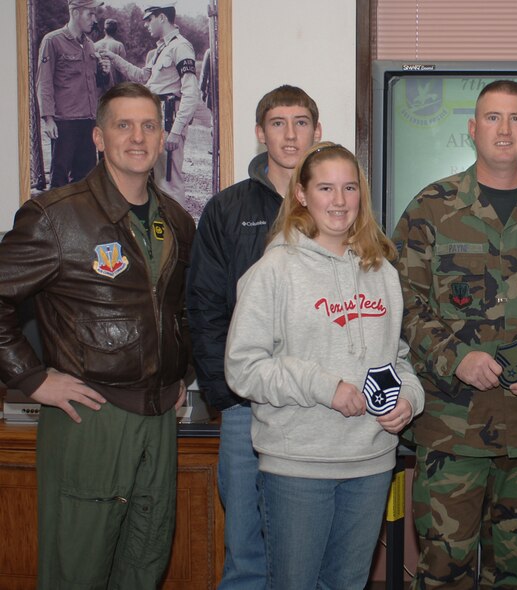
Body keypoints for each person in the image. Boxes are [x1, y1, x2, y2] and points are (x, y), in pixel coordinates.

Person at [392, 80, 517, 589]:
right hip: (452, 428)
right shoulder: (431, 208)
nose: (504, 129)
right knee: (443, 574)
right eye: (493, 117)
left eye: (516, 118)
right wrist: (454, 356)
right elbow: (403, 300)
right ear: (472, 128)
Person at [0, 82, 195, 589]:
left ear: (162, 137)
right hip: (89, 417)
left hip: (159, 420)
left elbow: (184, 308)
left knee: (144, 564)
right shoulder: (55, 216)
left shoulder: (175, 220)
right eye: (123, 125)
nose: (138, 137)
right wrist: (32, 378)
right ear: (98, 137)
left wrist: (182, 372)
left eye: (149, 125)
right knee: (77, 570)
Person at [224, 142, 424, 589]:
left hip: (371, 463)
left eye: (349, 188)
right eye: (326, 188)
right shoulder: (274, 270)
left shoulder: (382, 271)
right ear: (302, 194)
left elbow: (398, 358)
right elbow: (242, 367)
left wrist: (410, 398)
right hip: (298, 466)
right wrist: (323, 386)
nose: (339, 201)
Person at [186, 85, 321, 589]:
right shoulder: (227, 209)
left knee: (309, 553)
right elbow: (204, 307)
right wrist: (227, 395)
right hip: (247, 405)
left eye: (301, 122)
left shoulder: (338, 204)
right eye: (278, 123)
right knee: (245, 549)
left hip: (318, 406)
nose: (290, 134)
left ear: (317, 131)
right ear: (260, 133)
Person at [102, 1, 199, 207]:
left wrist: (176, 130)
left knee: (170, 183)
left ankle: (177, 226)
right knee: (155, 181)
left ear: (162, 17)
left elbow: (191, 92)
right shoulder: (160, 50)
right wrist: (114, 58)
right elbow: (141, 77)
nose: (146, 24)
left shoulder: (180, 47)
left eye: (149, 19)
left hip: (169, 121)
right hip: (155, 120)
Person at [36, 0, 110, 188]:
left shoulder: (90, 45)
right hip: (65, 122)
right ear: (75, 12)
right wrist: (48, 118)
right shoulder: (53, 41)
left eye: (95, 14)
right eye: (90, 14)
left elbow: (95, 84)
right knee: (60, 180)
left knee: (86, 180)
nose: (94, 19)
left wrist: (104, 72)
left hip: (88, 120)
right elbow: (44, 82)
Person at [94, 18, 127, 92]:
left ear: (104, 30)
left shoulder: (94, 45)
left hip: (100, 90)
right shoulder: (119, 45)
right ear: (115, 31)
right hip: (116, 89)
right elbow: (123, 70)